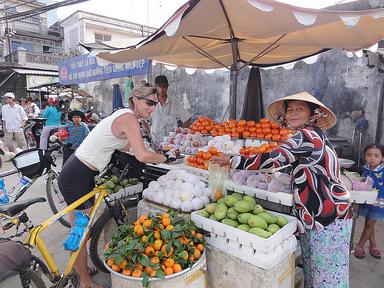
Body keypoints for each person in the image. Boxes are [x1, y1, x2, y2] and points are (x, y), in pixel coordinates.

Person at [212, 92, 352, 287]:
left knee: (328, 277)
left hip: (328, 213)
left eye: (300, 109)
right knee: (314, 271)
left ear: (313, 114)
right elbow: (297, 163)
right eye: (290, 109)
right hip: (316, 212)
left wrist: (235, 160)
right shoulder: (308, 135)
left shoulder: (307, 135)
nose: (293, 113)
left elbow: (275, 157)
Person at [58, 82, 175, 288]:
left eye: (155, 104)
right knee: (80, 232)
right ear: (135, 99)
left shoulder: (127, 116)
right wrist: (164, 158)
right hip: (77, 176)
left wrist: (144, 128)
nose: (152, 107)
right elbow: (141, 155)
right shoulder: (128, 118)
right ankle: (84, 281)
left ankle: (81, 270)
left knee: (80, 230)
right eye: (149, 102)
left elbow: (128, 146)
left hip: (80, 172)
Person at [354, 143, 384, 259]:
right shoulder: (365, 168)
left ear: (382, 157)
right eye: (369, 155)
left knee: (369, 223)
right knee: (368, 223)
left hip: (379, 203)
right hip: (366, 200)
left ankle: (360, 246)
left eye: (377, 156)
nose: (372, 158)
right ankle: (373, 245)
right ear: (365, 156)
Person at [150, 75, 191, 149]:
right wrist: (148, 132)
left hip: (171, 143)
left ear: (167, 87)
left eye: (164, 87)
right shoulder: (151, 102)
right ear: (155, 87)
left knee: (170, 160)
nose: (161, 90)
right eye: (159, 87)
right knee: (155, 160)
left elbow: (187, 118)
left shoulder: (175, 103)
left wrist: (179, 133)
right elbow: (142, 119)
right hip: (155, 141)